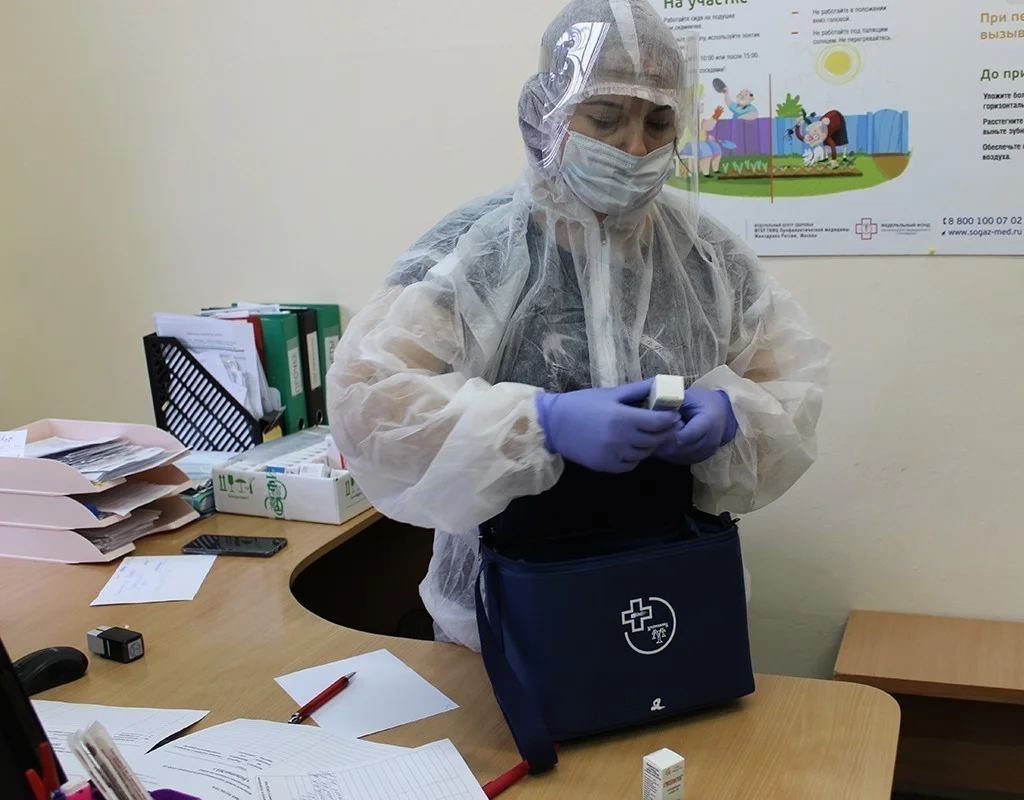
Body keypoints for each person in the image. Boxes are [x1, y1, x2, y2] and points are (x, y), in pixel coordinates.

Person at [328, 0, 831, 651]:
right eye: (605, 117)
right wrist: (540, 423)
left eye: (658, 121)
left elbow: (786, 392)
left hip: (670, 594)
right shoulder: (477, 250)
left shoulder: (708, 257)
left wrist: (734, 413)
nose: (635, 146)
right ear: (546, 114)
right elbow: (367, 401)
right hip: (504, 614)